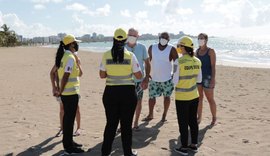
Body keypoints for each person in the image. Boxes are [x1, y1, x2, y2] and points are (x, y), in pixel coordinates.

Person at [99, 28, 142, 156]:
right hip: (128, 94)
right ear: (125, 40)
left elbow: (102, 75)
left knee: (111, 124)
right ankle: (128, 153)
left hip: (110, 93)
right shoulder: (130, 56)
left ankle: (105, 152)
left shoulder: (106, 54)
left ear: (113, 39)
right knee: (126, 125)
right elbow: (139, 75)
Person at [55, 34, 84, 154]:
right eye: (75, 43)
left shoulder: (63, 56)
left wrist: (59, 89)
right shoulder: (70, 57)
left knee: (68, 119)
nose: (77, 44)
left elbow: (57, 73)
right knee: (69, 120)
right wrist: (60, 91)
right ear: (71, 44)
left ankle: (70, 142)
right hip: (70, 93)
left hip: (68, 93)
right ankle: (68, 146)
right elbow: (66, 76)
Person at [173, 36, 202, 155]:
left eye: (179, 46)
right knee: (193, 121)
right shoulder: (197, 61)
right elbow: (199, 79)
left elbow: (174, 81)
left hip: (181, 97)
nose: (178, 48)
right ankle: (194, 144)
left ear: (184, 47)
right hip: (194, 95)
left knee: (183, 122)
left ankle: (184, 147)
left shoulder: (178, 61)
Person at [142, 32, 178, 122]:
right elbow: (148, 62)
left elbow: (176, 62)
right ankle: (150, 114)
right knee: (151, 97)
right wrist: (146, 74)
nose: (164, 39)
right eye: (162, 37)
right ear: (159, 37)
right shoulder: (152, 47)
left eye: (166, 38)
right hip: (154, 78)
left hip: (167, 79)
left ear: (169, 40)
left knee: (167, 97)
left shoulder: (172, 49)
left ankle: (164, 115)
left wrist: (175, 73)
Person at [50, 54, 83, 137]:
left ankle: (78, 128)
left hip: (73, 89)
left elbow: (80, 74)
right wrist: (54, 87)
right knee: (62, 108)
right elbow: (52, 73)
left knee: (76, 108)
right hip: (61, 89)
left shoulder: (74, 59)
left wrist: (78, 63)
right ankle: (62, 128)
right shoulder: (61, 59)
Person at [125, 28, 151, 130]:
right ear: (127, 35)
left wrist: (146, 78)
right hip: (125, 81)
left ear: (138, 36)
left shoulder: (142, 47)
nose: (132, 37)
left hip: (139, 81)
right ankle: (124, 123)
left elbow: (147, 63)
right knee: (125, 104)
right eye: (130, 35)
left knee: (138, 102)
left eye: (134, 35)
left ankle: (135, 122)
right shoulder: (122, 47)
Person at [196, 33, 217, 125]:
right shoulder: (197, 51)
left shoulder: (210, 51)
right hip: (198, 77)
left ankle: (214, 118)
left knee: (210, 99)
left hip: (208, 78)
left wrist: (213, 79)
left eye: (202, 38)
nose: (200, 40)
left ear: (206, 40)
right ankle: (199, 117)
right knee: (199, 98)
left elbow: (213, 66)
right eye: (199, 38)